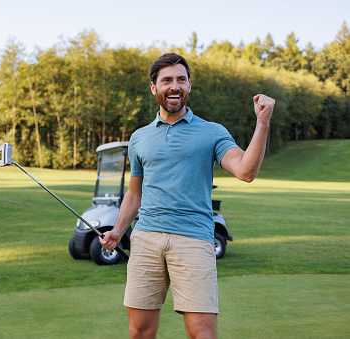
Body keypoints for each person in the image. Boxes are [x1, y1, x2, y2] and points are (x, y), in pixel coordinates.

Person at [100, 53, 275, 339]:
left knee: (201, 334)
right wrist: (118, 231)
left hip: (193, 240)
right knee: (139, 332)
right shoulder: (139, 137)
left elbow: (246, 171)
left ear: (189, 85)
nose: (175, 86)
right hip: (146, 239)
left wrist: (263, 123)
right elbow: (135, 193)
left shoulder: (212, 132)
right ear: (154, 88)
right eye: (167, 80)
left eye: (181, 79)